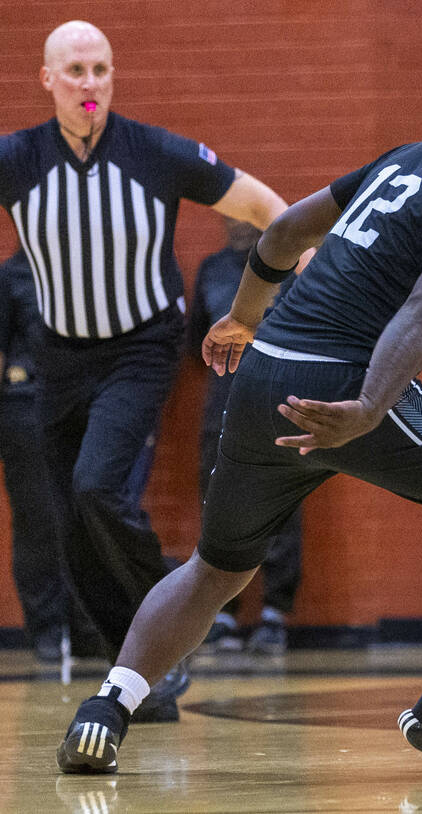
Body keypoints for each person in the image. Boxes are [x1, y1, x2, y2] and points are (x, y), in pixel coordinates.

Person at [56, 27, 422, 775]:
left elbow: (290, 226)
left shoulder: (414, 154)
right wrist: (368, 404)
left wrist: (243, 317)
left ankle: (107, 707)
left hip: (263, 372)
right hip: (343, 384)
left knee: (217, 566)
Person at [0, 21, 294, 715]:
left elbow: (260, 205)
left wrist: (305, 267)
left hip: (139, 348)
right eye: (75, 71)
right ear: (48, 80)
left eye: (101, 69)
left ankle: (174, 616)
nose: (90, 84)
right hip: (58, 354)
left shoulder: (155, 152)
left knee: (99, 488)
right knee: (71, 523)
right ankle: (135, 675)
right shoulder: (17, 158)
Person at [190, 217, 303, 655]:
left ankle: (275, 612)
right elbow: (192, 342)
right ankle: (223, 612)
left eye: (246, 218)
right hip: (222, 397)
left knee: (284, 505)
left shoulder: (289, 266)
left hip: (280, 394)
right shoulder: (212, 268)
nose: (237, 226)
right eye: (229, 218)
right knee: (219, 501)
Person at [0, 247, 69, 661]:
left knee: (90, 509)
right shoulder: (11, 274)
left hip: (80, 399)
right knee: (36, 518)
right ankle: (45, 626)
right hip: (25, 404)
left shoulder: (85, 261)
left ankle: (86, 624)